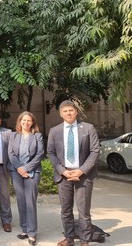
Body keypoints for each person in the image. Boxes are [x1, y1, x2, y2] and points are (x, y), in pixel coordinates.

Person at [47, 100, 100, 246]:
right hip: (64, 176)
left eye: (71, 110)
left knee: (83, 211)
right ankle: (69, 238)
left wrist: (81, 170)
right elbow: (51, 153)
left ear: (76, 111)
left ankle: (84, 241)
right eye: (65, 111)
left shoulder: (88, 128)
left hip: (83, 175)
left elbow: (95, 151)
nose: (68, 113)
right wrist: (62, 171)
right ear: (60, 114)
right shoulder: (55, 131)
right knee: (66, 209)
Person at [8, 111, 44, 246]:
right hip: (16, 172)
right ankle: (24, 229)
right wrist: (19, 169)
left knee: (30, 201)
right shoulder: (13, 135)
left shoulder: (37, 136)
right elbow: (11, 154)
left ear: (32, 122)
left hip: (33, 172)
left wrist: (26, 168)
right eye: (24, 120)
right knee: (21, 200)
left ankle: (32, 233)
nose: (26, 123)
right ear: (20, 122)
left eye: (29, 121)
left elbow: (40, 154)